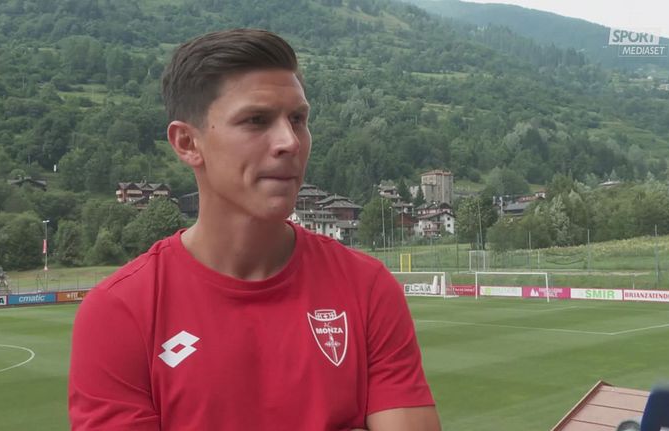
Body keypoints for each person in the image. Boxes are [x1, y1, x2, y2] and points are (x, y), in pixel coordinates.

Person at [68, 28, 441, 431]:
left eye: (298, 119)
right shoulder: (120, 312)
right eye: (256, 121)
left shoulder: (367, 288)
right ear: (187, 143)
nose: (290, 142)